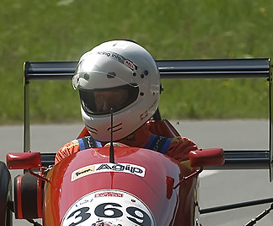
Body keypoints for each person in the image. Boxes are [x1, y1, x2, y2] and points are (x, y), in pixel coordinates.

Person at [55, 40, 198, 164]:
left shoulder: (178, 152)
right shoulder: (71, 154)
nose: (105, 106)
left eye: (114, 97)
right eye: (98, 98)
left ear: (145, 92)